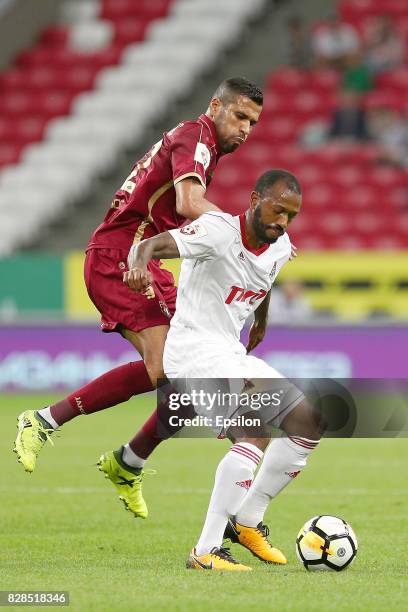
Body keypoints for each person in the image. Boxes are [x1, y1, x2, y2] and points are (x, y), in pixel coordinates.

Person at [13, 77, 264, 519]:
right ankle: (43, 420)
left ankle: (129, 462)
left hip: (149, 263)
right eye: (239, 116)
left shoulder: (201, 144)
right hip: (122, 256)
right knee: (166, 365)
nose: (245, 128)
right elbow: (189, 203)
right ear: (216, 106)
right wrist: (235, 230)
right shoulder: (196, 137)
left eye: (253, 122)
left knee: (180, 377)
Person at [124, 169, 323, 570]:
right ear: (254, 200)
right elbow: (147, 246)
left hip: (228, 352)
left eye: (291, 216)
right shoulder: (217, 232)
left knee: (308, 420)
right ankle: (205, 551)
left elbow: (264, 279)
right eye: (277, 210)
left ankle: (247, 521)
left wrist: (260, 321)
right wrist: (138, 266)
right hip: (192, 352)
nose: (282, 222)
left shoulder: (280, 245)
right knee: (255, 431)